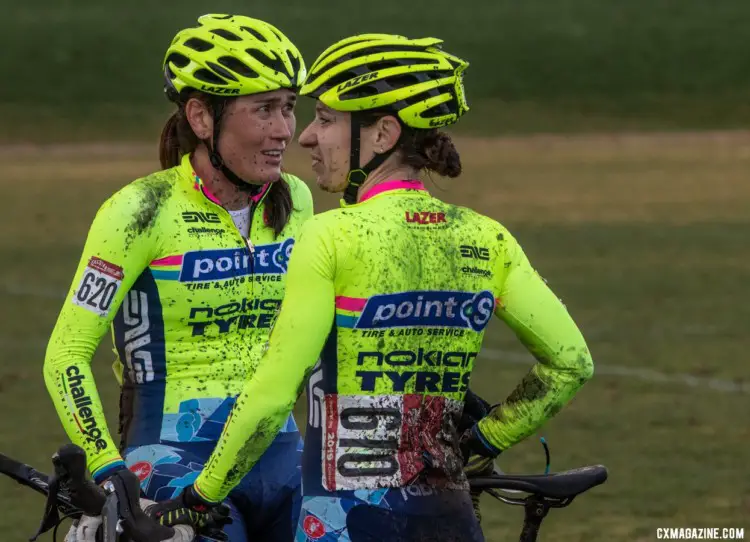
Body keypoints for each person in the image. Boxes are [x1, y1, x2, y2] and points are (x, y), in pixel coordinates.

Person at [149, 33, 595, 541]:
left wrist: (200, 495)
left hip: (347, 523)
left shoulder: (331, 234)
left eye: (326, 119)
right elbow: (571, 363)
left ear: (382, 133)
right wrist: (487, 438)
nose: (307, 137)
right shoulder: (487, 237)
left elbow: (273, 396)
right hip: (451, 520)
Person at [44, 13, 312, 541]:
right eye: (263, 110)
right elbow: (66, 354)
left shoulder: (296, 200)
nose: (285, 130)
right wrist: (106, 466)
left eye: (288, 108)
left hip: (283, 458)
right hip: (171, 462)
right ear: (201, 116)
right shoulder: (140, 210)